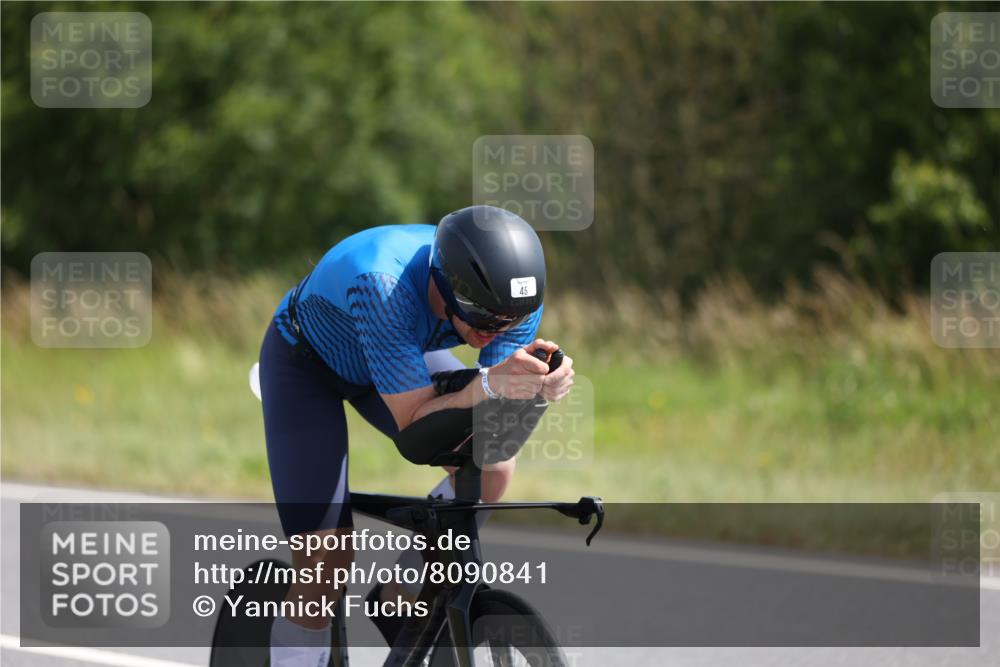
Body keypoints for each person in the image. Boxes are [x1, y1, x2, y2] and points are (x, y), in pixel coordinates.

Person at [258, 205, 575, 666]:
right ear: (447, 289)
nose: (496, 334)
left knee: (494, 467)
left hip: (395, 355)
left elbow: (493, 424)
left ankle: (401, 594)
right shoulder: (382, 287)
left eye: (509, 324)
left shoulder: (508, 301)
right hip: (307, 367)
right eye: (484, 323)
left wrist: (541, 389)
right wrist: (488, 384)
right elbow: (415, 432)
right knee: (325, 560)